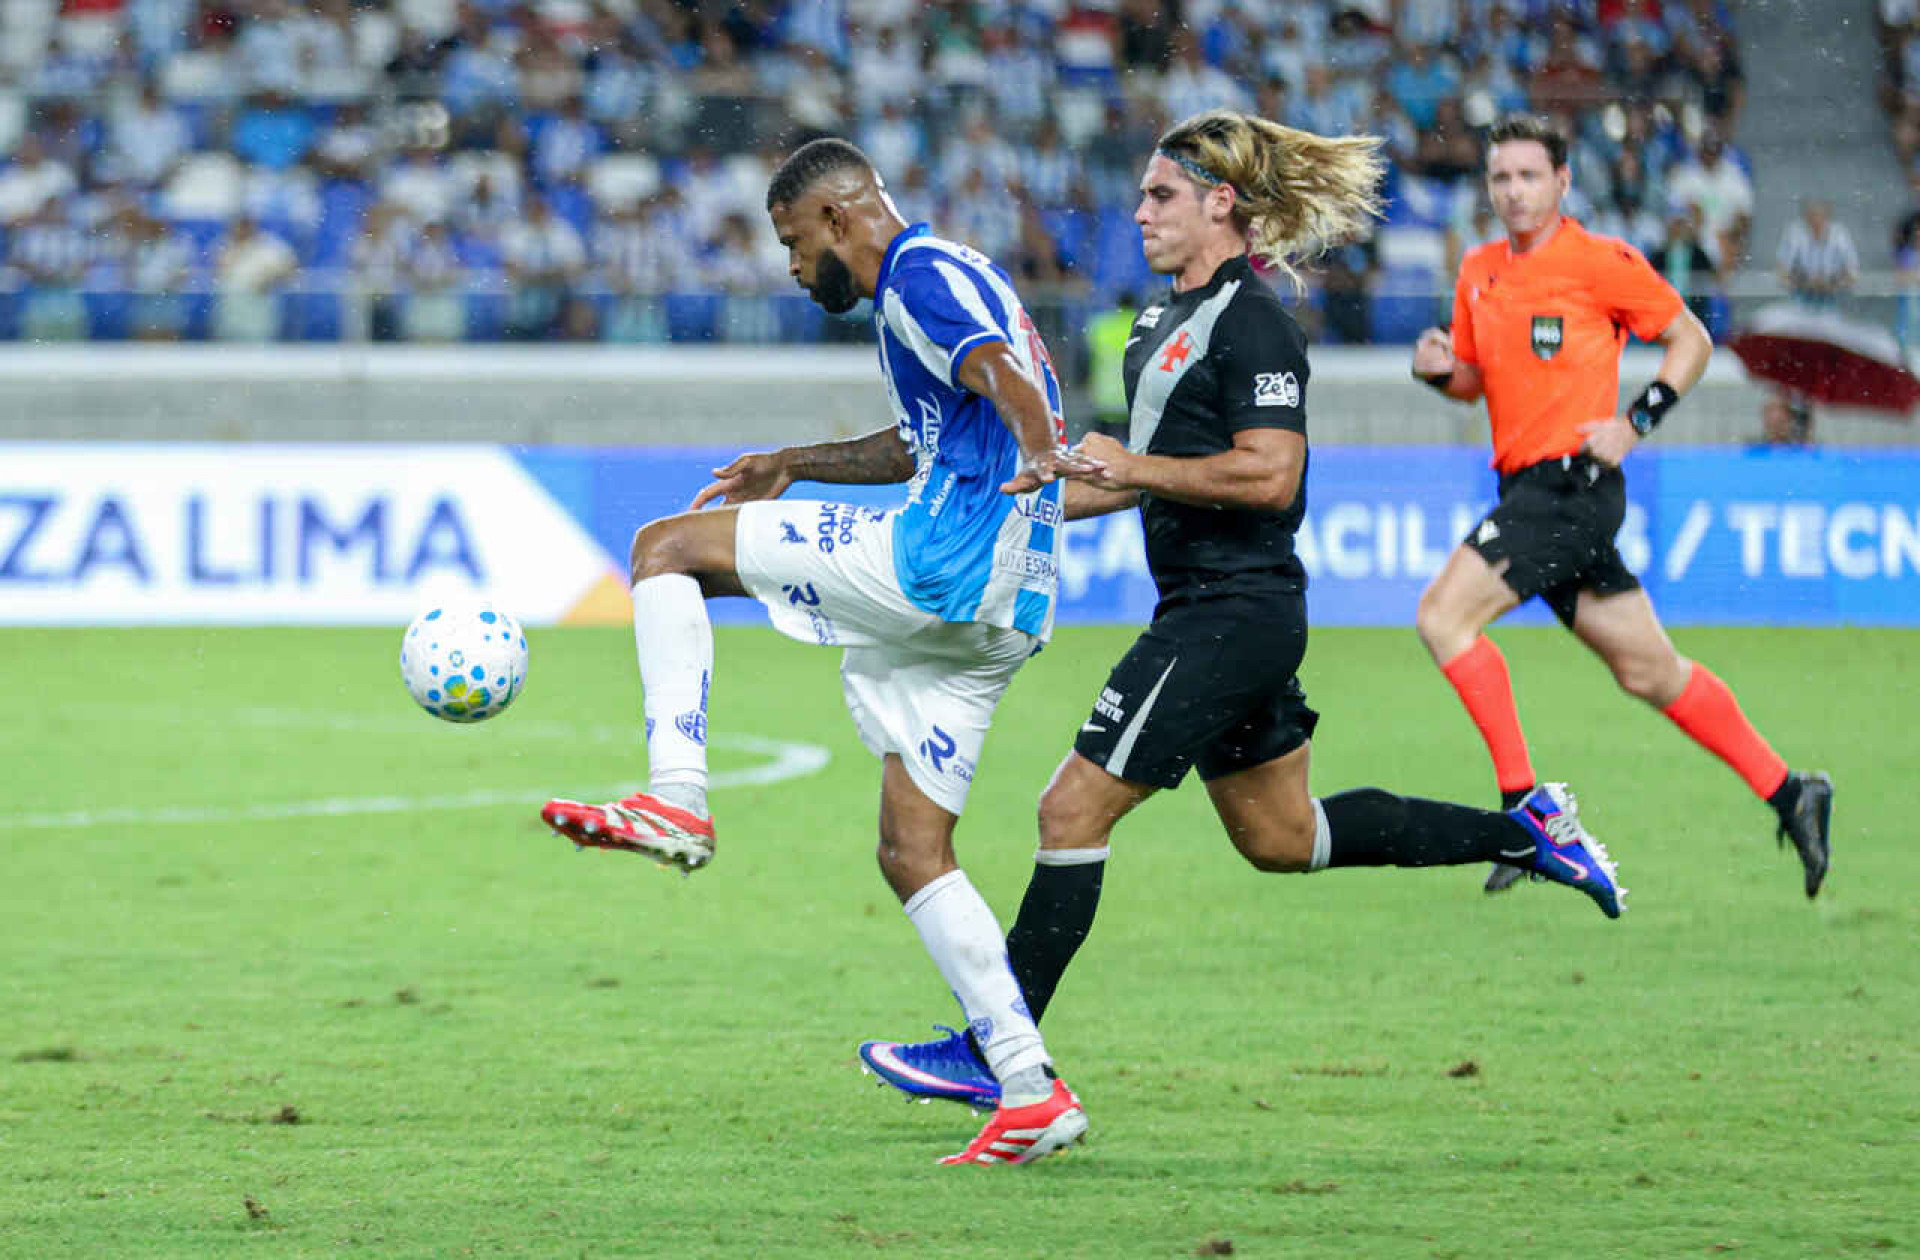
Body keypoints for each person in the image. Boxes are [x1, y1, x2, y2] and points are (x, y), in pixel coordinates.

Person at [856, 109, 1625, 1113]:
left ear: (1223, 204)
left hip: (1231, 611)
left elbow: (1272, 474)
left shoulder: (1254, 320)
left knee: (1069, 809)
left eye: (1161, 197)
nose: (1138, 214)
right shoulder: (1151, 325)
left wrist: (1134, 466)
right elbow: (1122, 477)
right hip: (1219, 610)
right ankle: (1529, 838)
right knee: (1282, 837)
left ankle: (1000, 1049)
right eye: (1140, 197)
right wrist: (1021, 501)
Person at [539, 138, 1097, 1167]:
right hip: (1004, 612)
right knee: (912, 851)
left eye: (795, 244)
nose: (795, 270)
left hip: (942, 566)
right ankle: (1029, 1087)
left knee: (664, 550)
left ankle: (678, 795)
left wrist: (1036, 447)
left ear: (840, 220)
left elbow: (1001, 376)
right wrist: (792, 463)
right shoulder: (949, 280)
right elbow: (921, 437)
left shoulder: (921, 277)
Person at [1407, 115, 1833, 899]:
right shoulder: (1477, 271)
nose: (1513, 191)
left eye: (1529, 176)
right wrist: (1440, 370)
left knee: (1443, 617)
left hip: (1571, 486)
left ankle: (1524, 810)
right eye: (1501, 177)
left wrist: (1635, 423)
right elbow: (1476, 380)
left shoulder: (1600, 262)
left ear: (1563, 183)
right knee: (1649, 670)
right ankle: (1791, 790)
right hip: (1530, 491)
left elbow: (1691, 341)